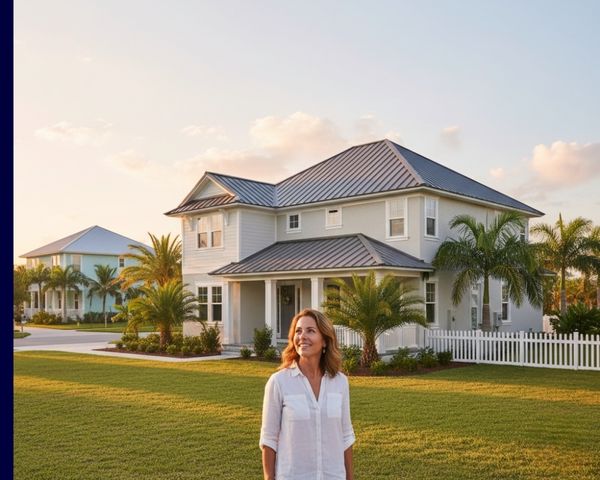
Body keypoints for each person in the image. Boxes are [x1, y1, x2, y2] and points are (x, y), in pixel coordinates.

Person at [260, 308, 355, 480]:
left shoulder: (340, 382)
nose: (302, 336)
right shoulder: (279, 382)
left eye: (310, 331)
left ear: (325, 340)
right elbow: (269, 440)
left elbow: (346, 436)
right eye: (298, 331)